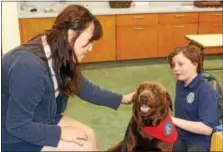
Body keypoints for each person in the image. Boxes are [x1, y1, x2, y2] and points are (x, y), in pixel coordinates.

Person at [2, 5, 135, 151]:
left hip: (40, 116)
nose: (90, 48)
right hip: (12, 135)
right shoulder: (29, 68)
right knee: (81, 147)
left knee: (89, 136)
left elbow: (84, 87)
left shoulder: (57, 49)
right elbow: (17, 125)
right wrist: (60, 133)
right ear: (70, 35)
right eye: (88, 41)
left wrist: (123, 98)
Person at [167, 45, 219, 152]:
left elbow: (207, 129)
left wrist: (172, 120)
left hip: (200, 141)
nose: (175, 69)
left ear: (195, 64)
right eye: (173, 65)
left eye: (180, 64)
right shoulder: (180, 83)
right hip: (181, 135)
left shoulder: (206, 91)